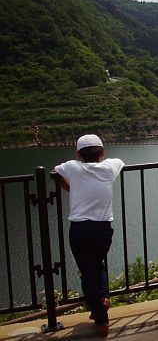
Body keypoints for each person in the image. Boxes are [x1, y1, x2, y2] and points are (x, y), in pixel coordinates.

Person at [54, 134, 124, 337]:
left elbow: (56, 172)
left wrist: (71, 188)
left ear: (78, 154)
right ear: (102, 153)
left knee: (87, 272)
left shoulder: (73, 168)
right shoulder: (111, 166)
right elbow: (119, 162)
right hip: (103, 229)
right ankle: (102, 299)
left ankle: (101, 317)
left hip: (80, 230)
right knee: (98, 264)